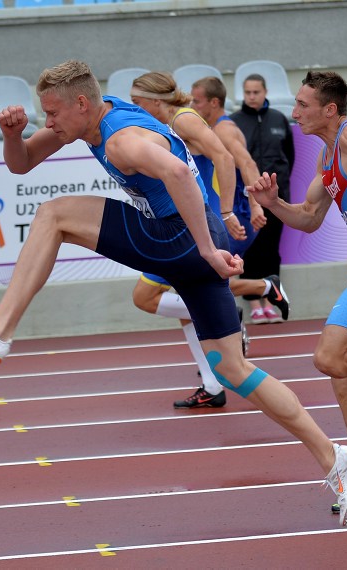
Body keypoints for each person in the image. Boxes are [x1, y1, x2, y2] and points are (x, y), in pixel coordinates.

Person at [0, 59, 347, 526]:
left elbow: (178, 173)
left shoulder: (119, 137)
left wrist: (207, 250)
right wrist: (13, 135)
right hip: (199, 240)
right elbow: (22, 164)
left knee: (55, 215)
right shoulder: (86, 119)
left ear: (81, 103)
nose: (47, 122)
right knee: (231, 368)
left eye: (51, 113)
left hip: (181, 237)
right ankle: (332, 455)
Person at [250, 69, 347, 519]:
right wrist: (273, 205)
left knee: (328, 358)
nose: (295, 111)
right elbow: (307, 217)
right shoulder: (327, 162)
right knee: (342, 375)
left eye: (303, 104)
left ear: (330, 109)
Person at [127, 72, 287, 409]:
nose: (133, 108)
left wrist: (232, 211)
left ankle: (256, 291)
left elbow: (231, 158)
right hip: (184, 222)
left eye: (137, 102)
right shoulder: (166, 123)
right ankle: (212, 384)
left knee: (146, 297)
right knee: (191, 301)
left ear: (156, 101)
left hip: (200, 224)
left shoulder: (185, 120)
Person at [232, 73, 296, 325]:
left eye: (256, 92)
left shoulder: (278, 119)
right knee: (250, 250)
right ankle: (255, 305)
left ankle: (271, 300)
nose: (251, 97)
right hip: (246, 201)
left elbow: (288, 156)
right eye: (247, 92)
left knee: (271, 250)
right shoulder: (234, 122)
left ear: (265, 91)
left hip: (276, 199)